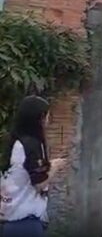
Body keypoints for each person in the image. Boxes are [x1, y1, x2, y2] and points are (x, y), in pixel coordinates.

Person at [0, 96, 66, 237]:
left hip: (11, 220)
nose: (49, 120)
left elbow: (26, 171)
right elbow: (40, 183)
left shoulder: (17, 142)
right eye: (47, 115)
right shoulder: (32, 145)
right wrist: (55, 167)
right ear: (40, 117)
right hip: (25, 223)